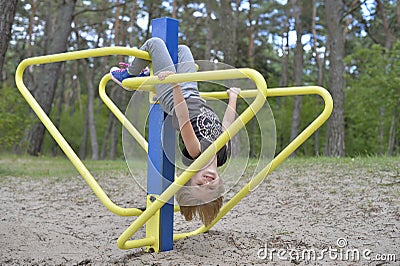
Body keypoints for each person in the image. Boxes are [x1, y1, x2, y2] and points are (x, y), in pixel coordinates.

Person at [110, 37, 240, 226]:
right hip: (192, 92)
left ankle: (129, 75)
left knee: (154, 43)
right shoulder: (222, 155)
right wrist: (233, 97)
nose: (207, 182)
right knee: (182, 50)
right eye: (211, 189)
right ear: (220, 186)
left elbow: (183, 118)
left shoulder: (196, 152)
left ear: (190, 179)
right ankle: (149, 71)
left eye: (199, 186)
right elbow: (228, 126)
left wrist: (175, 85)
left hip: (172, 95)